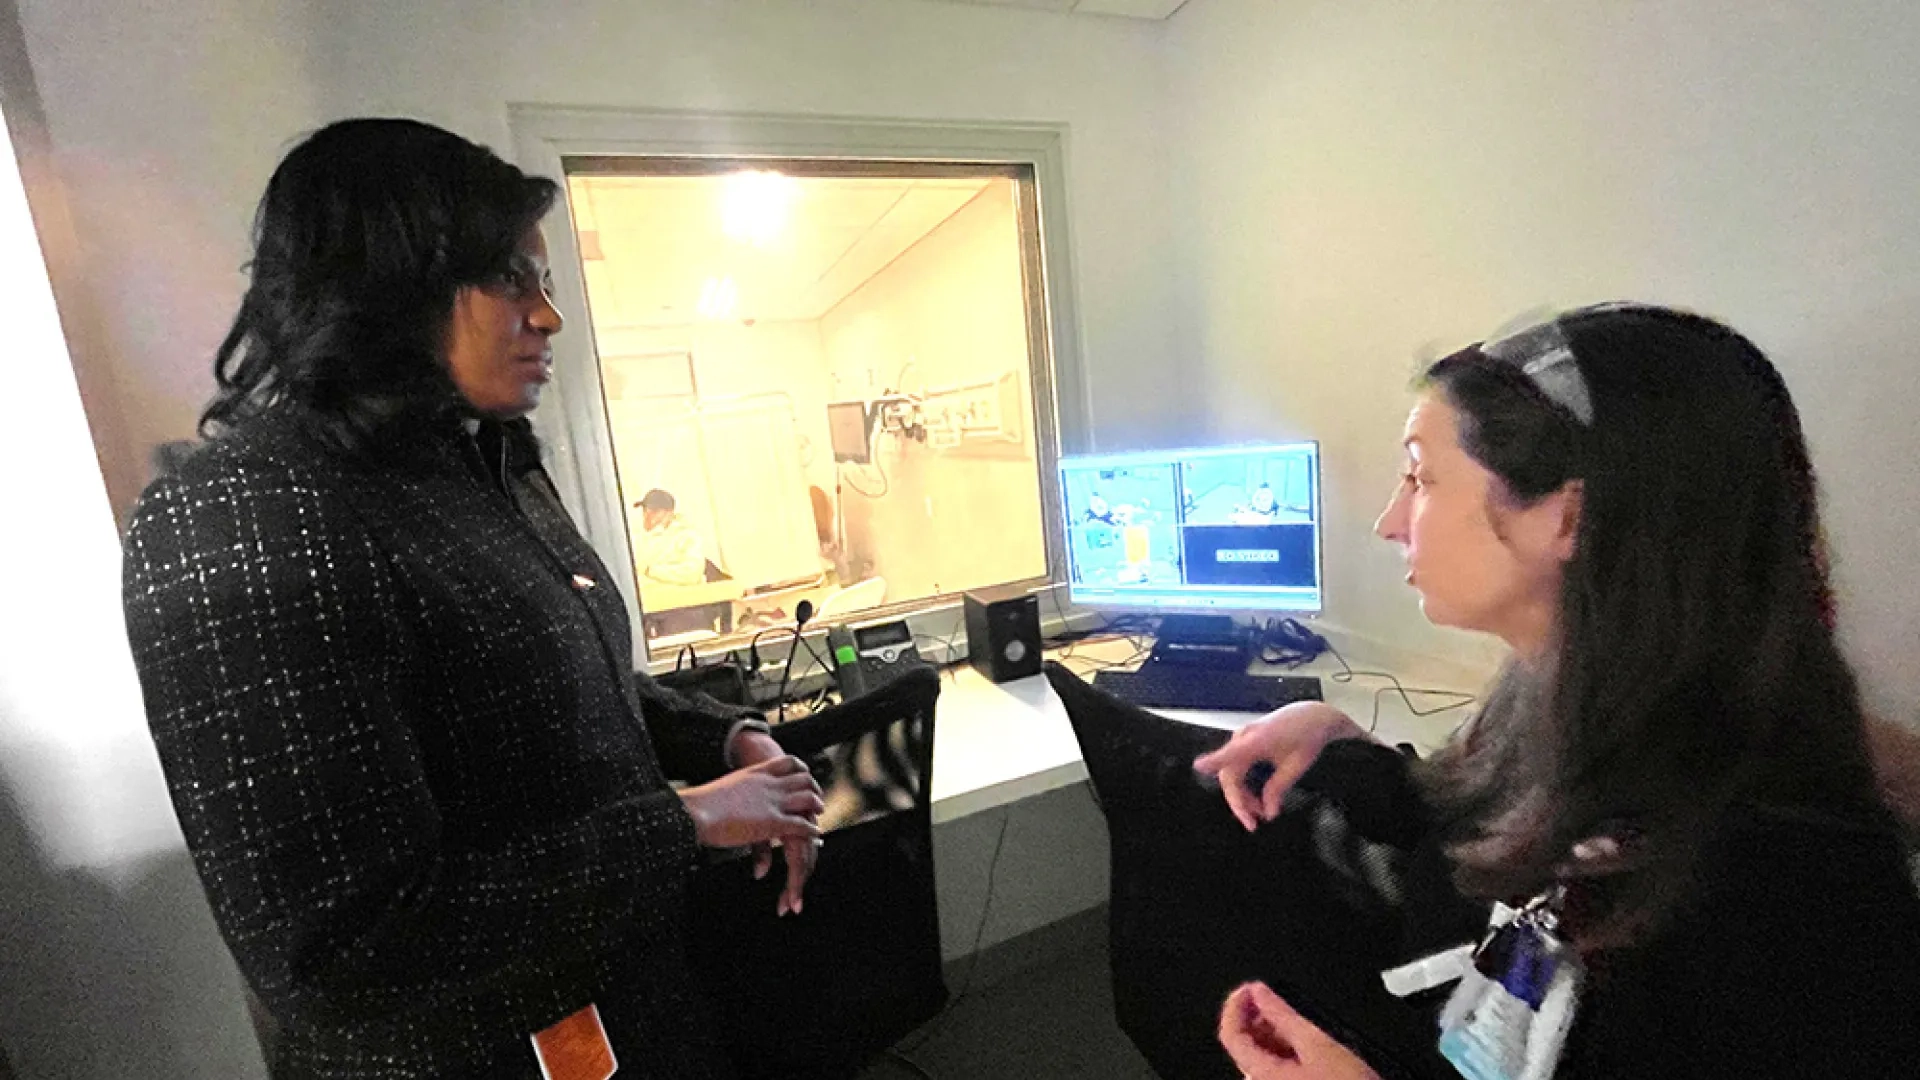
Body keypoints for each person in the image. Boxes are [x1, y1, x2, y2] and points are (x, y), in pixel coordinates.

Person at [121, 119, 823, 1079]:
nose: (547, 318)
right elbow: (341, 953)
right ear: (388, 284)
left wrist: (722, 739)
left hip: (630, 1008)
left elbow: (561, 685)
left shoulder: (483, 458)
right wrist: (689, 821)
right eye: (511, 278)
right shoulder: (244, 513)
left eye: (545, 282)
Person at [1195, 304, 1920, 1078]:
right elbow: (1489, 842)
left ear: (1567, 517)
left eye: (1421, 477)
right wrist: (1346, 747)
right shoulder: (1552, 706)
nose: (1390, 521)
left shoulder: (1786, 886)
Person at [634, 488, 716, 585]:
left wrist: (651, 570)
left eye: (654, 511)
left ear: (669, 513)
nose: (648, 516)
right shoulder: (642, 539)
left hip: (683, 597)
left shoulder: (687, 537)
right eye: (645, 511)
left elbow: (692, 573)